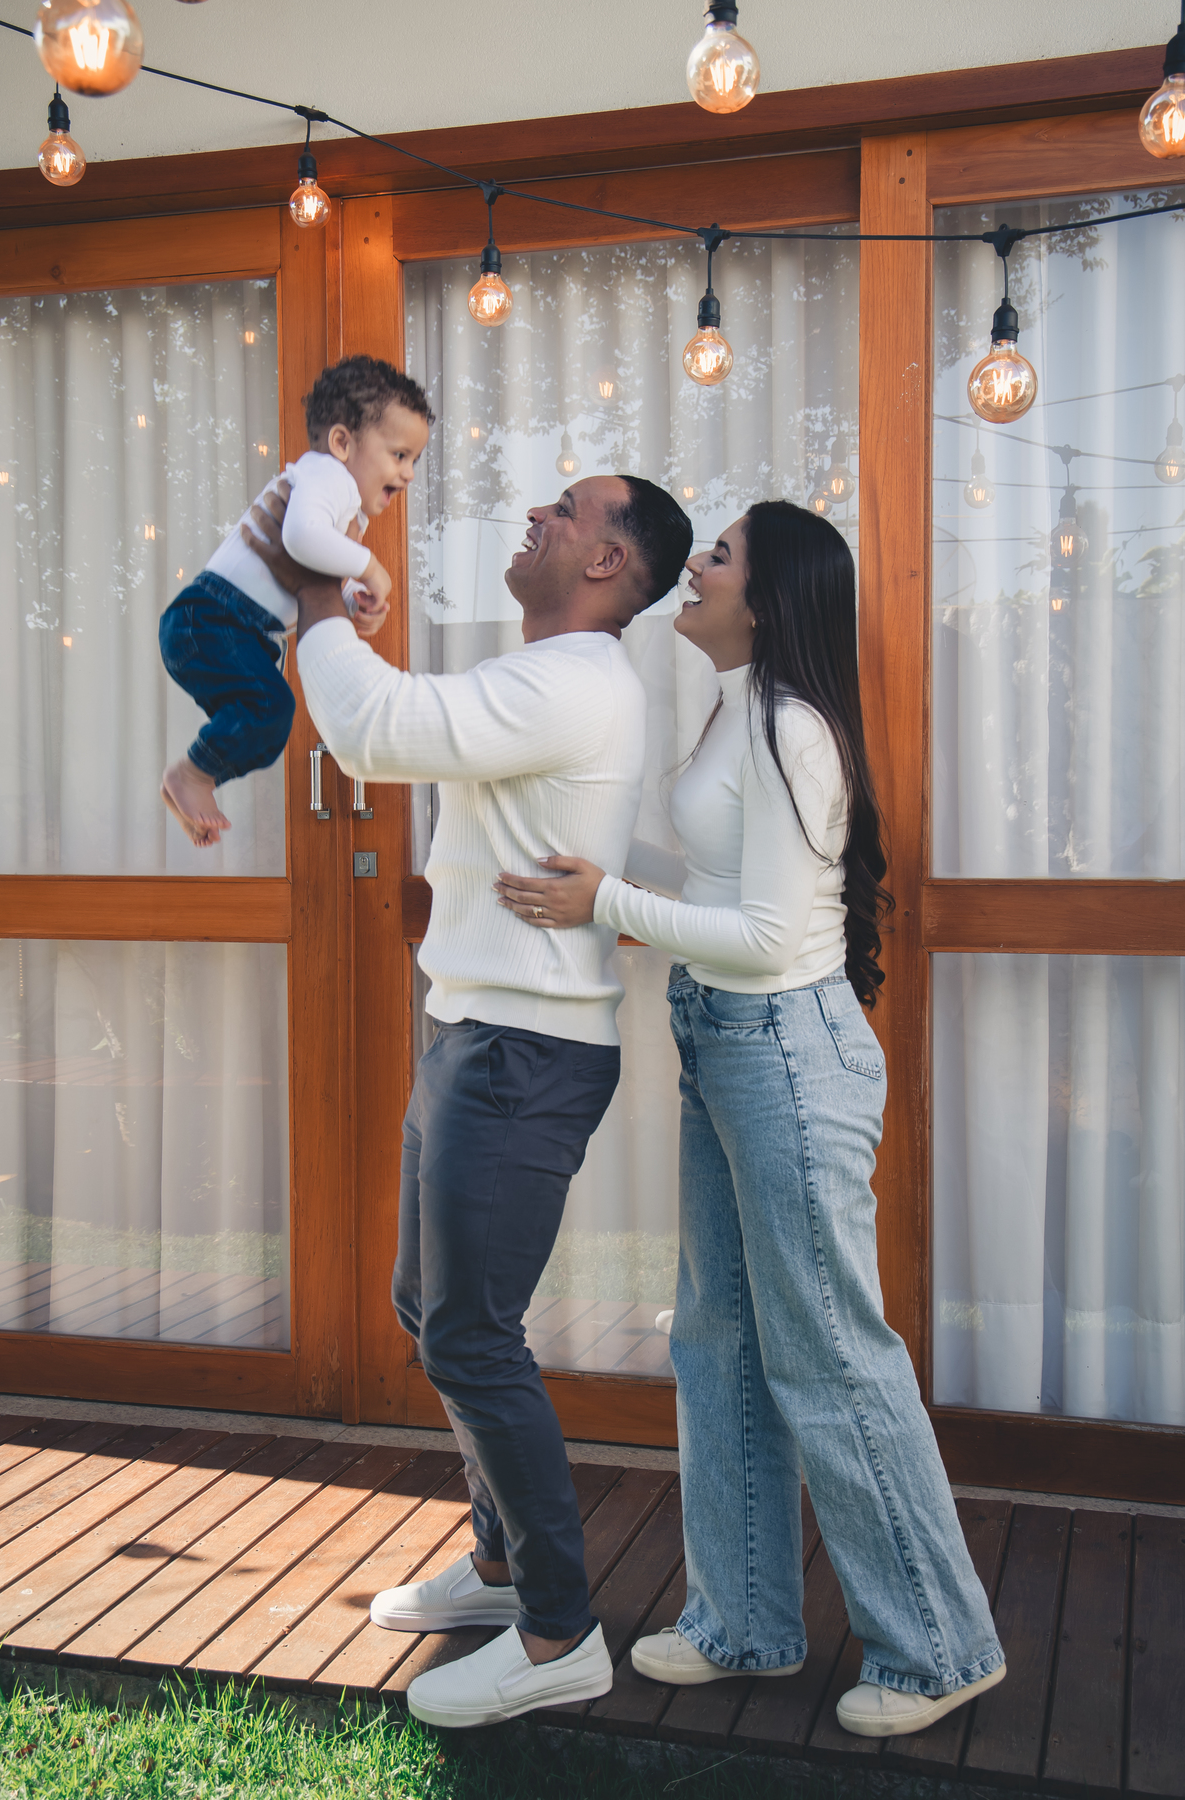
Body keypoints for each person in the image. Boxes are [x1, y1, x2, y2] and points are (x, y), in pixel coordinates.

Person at [496, 500, 1006, 1739]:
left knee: (828, 1353)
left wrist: (608, 902)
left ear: (766, 602)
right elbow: (726, 884)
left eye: (717, 558)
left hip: (784, 1051)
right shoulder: (740, 705)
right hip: (727, 1042)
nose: (697, 569)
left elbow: (773, 937)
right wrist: (609, 869)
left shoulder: (794, 730)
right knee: (719, 1340)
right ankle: (744, 1623)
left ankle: (941, 1649)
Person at [243, 472, 693, 1730]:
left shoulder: (575, 681)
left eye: (567, 509)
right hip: (475, 1037)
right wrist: (350, 630)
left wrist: (318, 593)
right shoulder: (547, 676)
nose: (536, 514)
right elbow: (406, 717)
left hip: (520, 1056)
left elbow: (375, 732)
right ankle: (500, 1568)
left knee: (470, 1337)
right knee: (427, 1308)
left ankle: (558, 1632)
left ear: (607, 563)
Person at [158, 356, 431, 846]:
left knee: (266, 723)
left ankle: (194, 780)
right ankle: (192, 775)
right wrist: (371, 568)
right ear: (342, 443)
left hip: (233, 629)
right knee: (269, 709)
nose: (408, 473)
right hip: (214, 619)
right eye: (399, 455)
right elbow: (302, 539)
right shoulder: (328, 476)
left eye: (414, 460)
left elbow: (315, 571)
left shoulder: (343, 505)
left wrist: (353, 602)